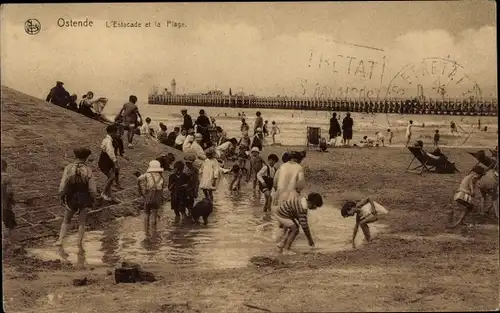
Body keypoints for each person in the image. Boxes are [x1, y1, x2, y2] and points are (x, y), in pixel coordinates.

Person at [55, 147, 97, 257]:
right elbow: (92, 187)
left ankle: (60, 240)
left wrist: (61, 195)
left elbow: (63, 183)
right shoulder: (88, 170)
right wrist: (93, 196)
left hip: (71, 196)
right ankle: (79, 243)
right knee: (82, 221)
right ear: (87, 158)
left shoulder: (68, 168)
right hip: (84, 196)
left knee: (66, 219)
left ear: (75, 156)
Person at [137, 160, 165, 239]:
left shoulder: (147, 175)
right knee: (154, 214)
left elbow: (138, 179)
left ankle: (146, 233)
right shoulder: (161, 177)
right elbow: (162, 190)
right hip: (157, 197)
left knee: (146, 214)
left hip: (149, 196)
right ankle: (154, 232)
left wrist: (140, 188)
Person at [98, 124, 120, 201]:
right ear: (112, 132)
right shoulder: (108, 141)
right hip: (105, 161)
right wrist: (116, 163)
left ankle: (111, 196)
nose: (116, 134)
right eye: (116, 132)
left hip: (107, 161)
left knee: (110, 178)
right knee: (112, 177)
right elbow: (111, 153)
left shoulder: (109, 139)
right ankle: (104, 193)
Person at [2, 159, 17, 247]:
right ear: (4, 167)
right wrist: (12, 200)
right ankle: (12, 244)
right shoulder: (6, 177)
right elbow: (9, 192)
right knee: (11, 224)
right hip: (5, 206)